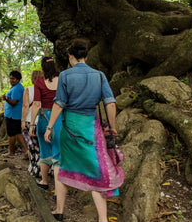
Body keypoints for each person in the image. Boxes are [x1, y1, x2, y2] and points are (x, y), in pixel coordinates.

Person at [44, 39, 124, 222]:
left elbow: (59, 104)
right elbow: (110, 103)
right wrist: (112, 127)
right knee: (96, 171)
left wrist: (49, 127)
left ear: (71, 56)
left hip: (70, 128)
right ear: (86, 56)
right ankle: (103, 219)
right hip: (91, 130)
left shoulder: (65, 75)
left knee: (63, 166)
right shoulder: (100, 76)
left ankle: (59, 210)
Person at [30, 56, 61, 191]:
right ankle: (59, 189)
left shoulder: (39, 82)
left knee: (44, 150)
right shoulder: (62, 80)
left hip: (44, 118)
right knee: (58, 152)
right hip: (59, 118)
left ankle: (44, 181)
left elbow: (36, 104)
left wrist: (31, 124)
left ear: (42, 68)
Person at [0, 70, 28, 158]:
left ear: (18, 79)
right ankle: (26, 151)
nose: (11, 80)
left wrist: (6, 99)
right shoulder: (16, 87)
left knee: (11, 134)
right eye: (10, 78)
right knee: (18, 133)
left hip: (13, 115)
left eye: (14, 79)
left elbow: (14, 102)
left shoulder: (17, 88)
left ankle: (11, 153)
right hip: (14, 115)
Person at [21, 70, 43, 173]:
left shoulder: (28, 90)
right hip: (43, 121)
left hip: (30, 121)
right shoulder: (47, 89)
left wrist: (23, 121)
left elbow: (25, 106)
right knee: (43, 147)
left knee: (31, 146)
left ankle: (35, 168)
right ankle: (47, 169)